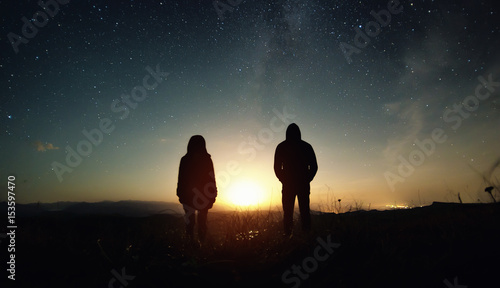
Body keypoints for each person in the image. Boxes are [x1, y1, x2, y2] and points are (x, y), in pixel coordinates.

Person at [274, 123, 318, 236]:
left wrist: (284, 179)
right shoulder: (306, 146)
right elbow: (313, 166)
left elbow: (277, 168)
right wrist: (307, 179)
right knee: (301, 212)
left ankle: (289, 237)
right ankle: (303, 237)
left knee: (290, 213)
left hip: (292, 185)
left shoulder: (282, 146)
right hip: (298, 185)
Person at [177, 135, 217, 241]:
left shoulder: (186, 159)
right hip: (199, 195)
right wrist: (212, 195)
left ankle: (194, 247)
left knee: (194, 223)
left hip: (192, 195)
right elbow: (211, 179)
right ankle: (198, 247)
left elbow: (181, 179)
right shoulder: (206, 159)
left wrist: (181, 194)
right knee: (200, 222)